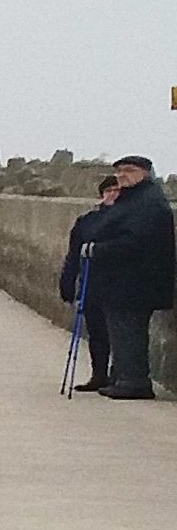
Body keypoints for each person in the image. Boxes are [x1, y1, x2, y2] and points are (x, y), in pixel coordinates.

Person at [84, 155, 173, 399]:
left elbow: (136, 240)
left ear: (145, 172)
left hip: (137, 281)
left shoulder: (149, 203)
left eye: (129, 170)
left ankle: (134, 382)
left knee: (129, 331)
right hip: (123, 281)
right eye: (119, 171)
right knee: (121, 331)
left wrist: (99, 249)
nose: (122, 175)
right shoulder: (134, 199)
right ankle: (122, 377)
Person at [65, 173, 120, 390]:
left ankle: (118, 375)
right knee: (96, 332)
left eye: (117, 191)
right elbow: (73, 254)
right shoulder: (87, 221)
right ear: (101, 195)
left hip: (117, 283)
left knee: (117, 333)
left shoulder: (127, 219)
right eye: (109, 191)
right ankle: (98, 375)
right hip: (92, 283)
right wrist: (68, 284)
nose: (113, 195)